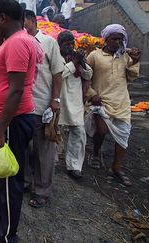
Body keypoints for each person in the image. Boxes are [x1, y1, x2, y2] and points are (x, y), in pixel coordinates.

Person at [0, 0, 42, 241]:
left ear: (3, 18)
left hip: (12, 122)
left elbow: (15, 90)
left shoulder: (18, 43)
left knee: (8, 180)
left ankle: (7, 235)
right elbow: (0, 78)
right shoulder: (11, 41)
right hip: (3, 120)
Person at [85, 24, 141, 186]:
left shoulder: (125, 57)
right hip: (100, 101)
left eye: (120, 39)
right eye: (114, 38)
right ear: (106, 39)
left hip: (121, 102)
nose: (117, 42)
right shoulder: (95, 56)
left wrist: (135, 62)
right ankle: (96, 153)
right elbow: (84, 77)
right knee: (101, 131)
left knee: (123, 137)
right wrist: (91, 94)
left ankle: (116, 168)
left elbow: (131, 77)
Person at [23, 10, 64, 208]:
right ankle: (25, 182)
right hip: (22, 106)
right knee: (23, 148)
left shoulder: (48, 43)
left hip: (42, 105)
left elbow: (58, 73)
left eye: (24, 22)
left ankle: (42, 190)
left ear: (33, 21)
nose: (22, 26)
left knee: (44, 150)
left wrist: (55, 99)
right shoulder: (18, 42)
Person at [57, 31, 93, 179]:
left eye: (72, 43)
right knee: (54, 133)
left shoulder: (76, 59)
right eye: (67, 44)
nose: (70, 47)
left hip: (75, 101)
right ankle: (51, 162)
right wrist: (74, 63)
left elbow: (88, 75)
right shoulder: (56, 57)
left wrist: (81, 62)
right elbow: (60, 73)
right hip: (59, 100)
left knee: (78, 133)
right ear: (59, 45)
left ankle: (74, 166)